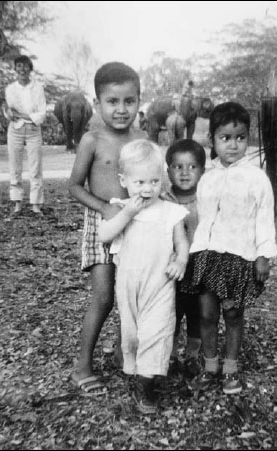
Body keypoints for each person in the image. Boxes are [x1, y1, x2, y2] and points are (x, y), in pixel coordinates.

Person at [188, 102, 277, 395]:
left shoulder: (256, 178)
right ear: (212, 139)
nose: (233, 145)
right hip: (208, 256)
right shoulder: (208, 178)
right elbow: (203, 218)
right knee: (207, 313)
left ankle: (230, 368)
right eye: (225, 138)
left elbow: (264, 217)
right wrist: (192, 253)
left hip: (240, 258)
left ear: (248, 139)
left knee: (234, 314)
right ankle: (210, 366)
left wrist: (263, 255)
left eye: (240, 137)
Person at [69, 62, 145, 395]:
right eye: (112, 101)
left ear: (139, 101)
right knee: (103, 297)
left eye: (129, 101)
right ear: (98, 102)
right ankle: (82, 366)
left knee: (132, 293)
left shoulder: (142, 139)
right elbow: (73, 186)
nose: (121, 109)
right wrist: (103, 207)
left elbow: (149, 180)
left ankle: (120, 352)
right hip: (100, 223)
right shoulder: (92, 140)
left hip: (134, 224)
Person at [98, 139, 189, 413]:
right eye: (139, 183)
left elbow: (181, 242)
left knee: (157, 331)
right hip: (128, 286)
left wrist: (181, 259)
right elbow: (104, 235)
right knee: (133, 334)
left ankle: (145, 387)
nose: (147, 189)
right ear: (124, 181)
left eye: (154, 181)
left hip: (160, 285)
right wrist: (128, 212)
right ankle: (134, 367)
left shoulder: (171, 212)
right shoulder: (120, 208)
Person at [161, 139, 206, 378]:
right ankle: (169, 355)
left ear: (202, 170)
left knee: (197, 313)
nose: (185, 172)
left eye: (192, 167)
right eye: (178, 167)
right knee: (172, 311)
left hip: (200, 267)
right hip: (173, 269)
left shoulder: (206, 199)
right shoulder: (163, 199)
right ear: (168, 170)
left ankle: (192, 355)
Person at [3, 55, 47, 215]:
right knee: (15, 167)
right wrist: (13, 113)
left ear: (30, 68)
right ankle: (17, 204)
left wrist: (21, 114)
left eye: (25, 66)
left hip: (33, 131)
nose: (22, 69)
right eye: (19, 66)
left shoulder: (38, 88)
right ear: (15, 69)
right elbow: (10, 113)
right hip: (15, 130)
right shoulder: (10, 89)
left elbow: (41, 115)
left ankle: (35, 204)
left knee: (35, 168)